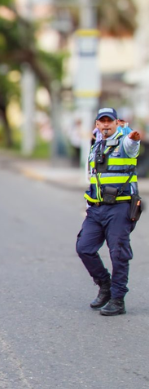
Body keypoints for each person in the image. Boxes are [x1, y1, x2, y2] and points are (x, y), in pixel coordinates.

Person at [76, 107, 141, 316]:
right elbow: (93, 177)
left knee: (118, 253)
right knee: (84, 247)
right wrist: (88, 207)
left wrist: (134, 138)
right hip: (96, 207)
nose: (105, 125)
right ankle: (105, 286)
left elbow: (132, 146)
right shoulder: (96, 143)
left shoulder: (125, 140)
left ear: (116, 123)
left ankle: (117, 299)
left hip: (120, 207)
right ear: (97, 124)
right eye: (102, 121)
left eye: (109, 121)